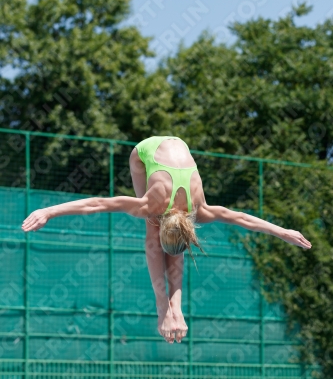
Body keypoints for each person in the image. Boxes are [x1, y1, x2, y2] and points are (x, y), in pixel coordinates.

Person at [22, 136, 312, 344]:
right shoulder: (151, 207)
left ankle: (175, 308)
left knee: (164, 240)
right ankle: (165, 307)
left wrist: (284, 232)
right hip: (143, 153)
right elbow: (97, 203)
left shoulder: (200, 209)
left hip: (176, 154)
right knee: (151, 232)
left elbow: (244, 218)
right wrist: (49, 211)